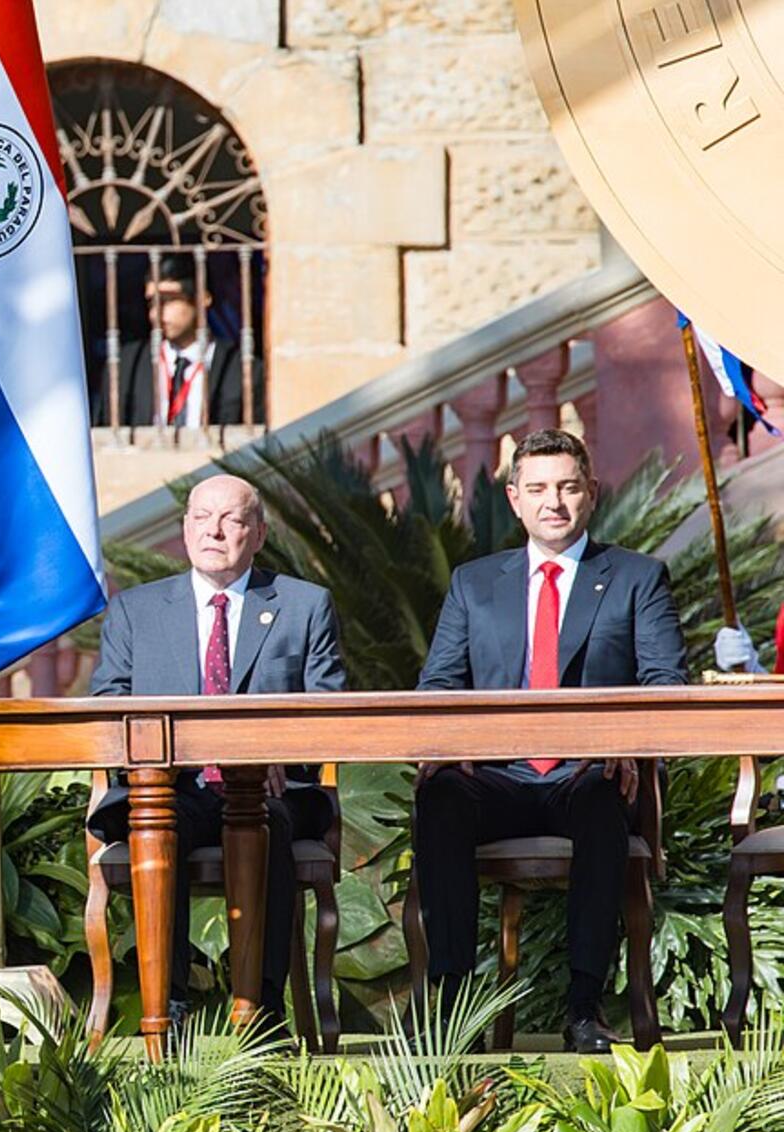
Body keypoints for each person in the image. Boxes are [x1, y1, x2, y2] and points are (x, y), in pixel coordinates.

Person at [412, 428, 687, 1052]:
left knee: (598, 802)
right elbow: (438, 685)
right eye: (537, 489)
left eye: (566, 487)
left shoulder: (636, 578)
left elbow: (666, 683)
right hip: (497, 777)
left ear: (590, 493)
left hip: (589, 774)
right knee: (441, 796)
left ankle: (583, 1008)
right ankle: (452, 1007)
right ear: (514, 500)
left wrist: (625, 743)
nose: (553, 502)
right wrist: (448, 743)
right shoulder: (473, 583)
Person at [87, 474, 345, 1027]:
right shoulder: (137, 609)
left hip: (273, 792)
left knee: (265, 821)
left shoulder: (304, 606)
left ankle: (265, 1007)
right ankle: (170, 1004)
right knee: (155, 823)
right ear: (184, 531)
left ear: (258, 533)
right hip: (172, 791)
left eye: (231, 519)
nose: (215, 531)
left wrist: (278, 754)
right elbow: (108, 706)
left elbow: (330, 710)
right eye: (202, 518)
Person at [106, 255, 264, 428]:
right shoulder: (127, 365)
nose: (155, 314)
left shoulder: (243, 369)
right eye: (152, 302)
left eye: (168, 300)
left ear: (202, 299)